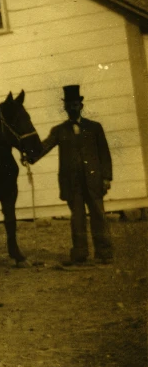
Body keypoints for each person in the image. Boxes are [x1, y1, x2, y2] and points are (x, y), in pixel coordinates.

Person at [33, 85, 113, 265]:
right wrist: (30, 156)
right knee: (77, 219)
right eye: (69, 105)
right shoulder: (59, 130)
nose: (73, 108)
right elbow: (43, 147)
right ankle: (80, 253)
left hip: (94, 182)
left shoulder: (94, 128)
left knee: (99, 215)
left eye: (76, 105)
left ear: (81, 106)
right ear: (65, 108)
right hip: (72, 184)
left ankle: (104, 252)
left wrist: (106, 177)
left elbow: (104, 154)